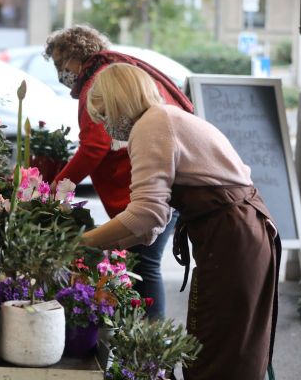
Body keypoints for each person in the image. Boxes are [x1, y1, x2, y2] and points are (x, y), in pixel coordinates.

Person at [82, 63, 280, 380]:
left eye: (102, 115)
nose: (103, 126)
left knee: (214, 364)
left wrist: (83, 241)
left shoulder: (152, 126)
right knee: (234, 357)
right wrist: (110, 246)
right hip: (244, 233)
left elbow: (145, 214)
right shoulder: (165, 118)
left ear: (117, 102)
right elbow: (152, 224)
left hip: (232, 237)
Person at [44, 25, 193, 319]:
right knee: (140, 265)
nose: (61, 74)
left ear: (76, 57)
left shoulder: (99, 83)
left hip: (150, 189)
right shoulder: (114, 68)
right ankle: (142, 348)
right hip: (161, 184)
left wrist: (54, 191)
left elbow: (94, 146)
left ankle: (149, 352)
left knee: (144, 266)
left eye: (61, 65)